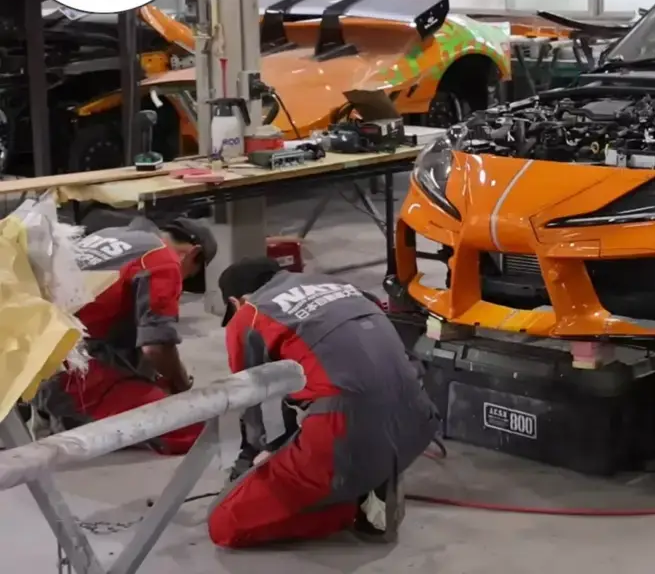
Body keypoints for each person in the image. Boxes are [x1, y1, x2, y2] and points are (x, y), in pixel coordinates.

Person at [208, 257, 439, 548]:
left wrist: (260, 458)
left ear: (236, 301)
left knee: (224, 522)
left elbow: (254, 402)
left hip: (347, 433)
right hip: (417, 420)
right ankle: (374, 477)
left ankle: (348, 507)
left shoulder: (250, 315)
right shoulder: (341, 286)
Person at [34, 215, 216, 454]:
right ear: (194, 253)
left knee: (147, 364)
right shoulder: (163, 259)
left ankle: (54, 408)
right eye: (189, 275)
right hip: (73, 372)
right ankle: (71, 419)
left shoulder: (107, 235)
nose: (183, 282)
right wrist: (181, 385)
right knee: (193, 427)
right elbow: (156, 348)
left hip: (32, 360)